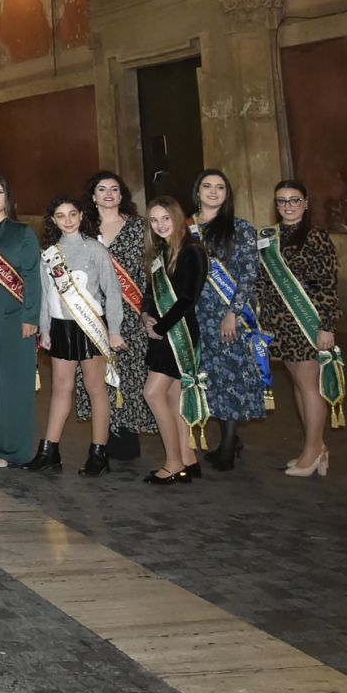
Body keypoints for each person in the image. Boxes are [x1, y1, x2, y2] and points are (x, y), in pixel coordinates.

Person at [28, 196, 126, 476]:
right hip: (61, 328)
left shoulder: (95, 249)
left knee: (96, 389)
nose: (68, 220)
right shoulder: (49, 253)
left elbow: (112, 291)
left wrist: (115, 330)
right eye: (61, 216)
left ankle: (98, 452)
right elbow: (46, 295)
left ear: (82, 216)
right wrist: (45, 328)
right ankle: (50, 451)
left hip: (90, 327)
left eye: (72, 214)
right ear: (54, 220)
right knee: (60, 389)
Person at [256, 180, 343, 477]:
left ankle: (313, 450)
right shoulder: (269, 238)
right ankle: (315, 448)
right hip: (279, 322)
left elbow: (327, 284)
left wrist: (327, 325)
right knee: (296, 382)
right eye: (282, 201)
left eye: (294, 200)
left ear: (306, 203)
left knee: (309, 384)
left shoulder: (316, 237)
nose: (288, 206)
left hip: (307, 322)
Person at [77, 172, 158, 462]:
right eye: (102, 189)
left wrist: (147, 309)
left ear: (122, 195)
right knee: (96, 376)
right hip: (91, 314)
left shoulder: (139, 227)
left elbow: (149, 272)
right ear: (94, 195)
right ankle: (103, 437)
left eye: (114, 189)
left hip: (130, 312)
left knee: (129, 374)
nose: (109, 193)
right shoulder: (83, 228)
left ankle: (126, 435)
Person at [192, 168, 268, 470]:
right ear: (197, 191)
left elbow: (249, 275)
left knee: (230, 378)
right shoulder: (186, 229)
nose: (213, 192)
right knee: (210, 377)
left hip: (227, 316)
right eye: (207, 186)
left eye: (220, 187)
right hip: (198, 313)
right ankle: (229, 440)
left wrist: (233, 313)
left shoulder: (241, 229)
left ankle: (226, 446)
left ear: (227, 194)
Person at [0, 173, 42, 468]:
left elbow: (32, 277)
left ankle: (11, 448)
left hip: (15, 320)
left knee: (15, 385)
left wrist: (31, 316)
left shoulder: (22, 232)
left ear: (7, 197)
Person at [142, 196, 207, 486]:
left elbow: (187, 299)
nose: (160, 225)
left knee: (152, 394)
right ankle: (187, 458)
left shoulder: (193, 252)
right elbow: (149, 292)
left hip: (177, 332)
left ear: (177, 217)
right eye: (154, 220)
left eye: (165, 218)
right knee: (174, 397)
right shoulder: (161, 252)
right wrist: (146, 316)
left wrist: (162, 327)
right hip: (161, 332)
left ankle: (172, 462)